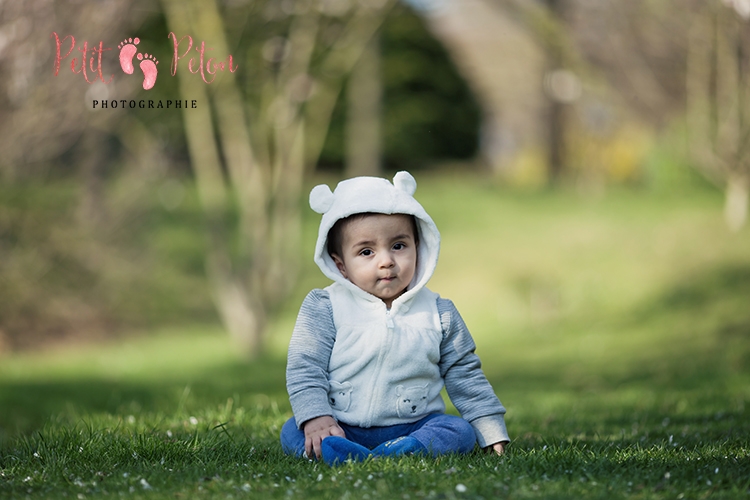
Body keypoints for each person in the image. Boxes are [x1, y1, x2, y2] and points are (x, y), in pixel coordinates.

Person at [280, 171, 509, 466]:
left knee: (459, 430)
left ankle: (406, 448)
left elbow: (465, 372)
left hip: (414, 424)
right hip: (341, 424)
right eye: (366, 251)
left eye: (399, 246)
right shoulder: (325, 306)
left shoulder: (438, 312)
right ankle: (340, 449)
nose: (386, 260)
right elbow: (305, 366)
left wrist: (489, 427)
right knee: (294, 429)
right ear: (341, 265)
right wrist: (317, 416)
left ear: (419, 246)